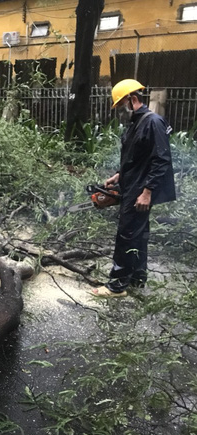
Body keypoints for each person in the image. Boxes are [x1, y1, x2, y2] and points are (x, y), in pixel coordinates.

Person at [91, 79, 176, 298]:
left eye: (121, 106)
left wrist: (147, 192)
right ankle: (137, 278)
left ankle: (117, 286)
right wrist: (118, 176)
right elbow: (137, 158)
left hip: (140, 190)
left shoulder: (152, 122)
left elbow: (161, 160)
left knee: (126, 235)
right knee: (139, 235)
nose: (120, 111)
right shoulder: (137, 124)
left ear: (132, 99)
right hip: (132, 186)